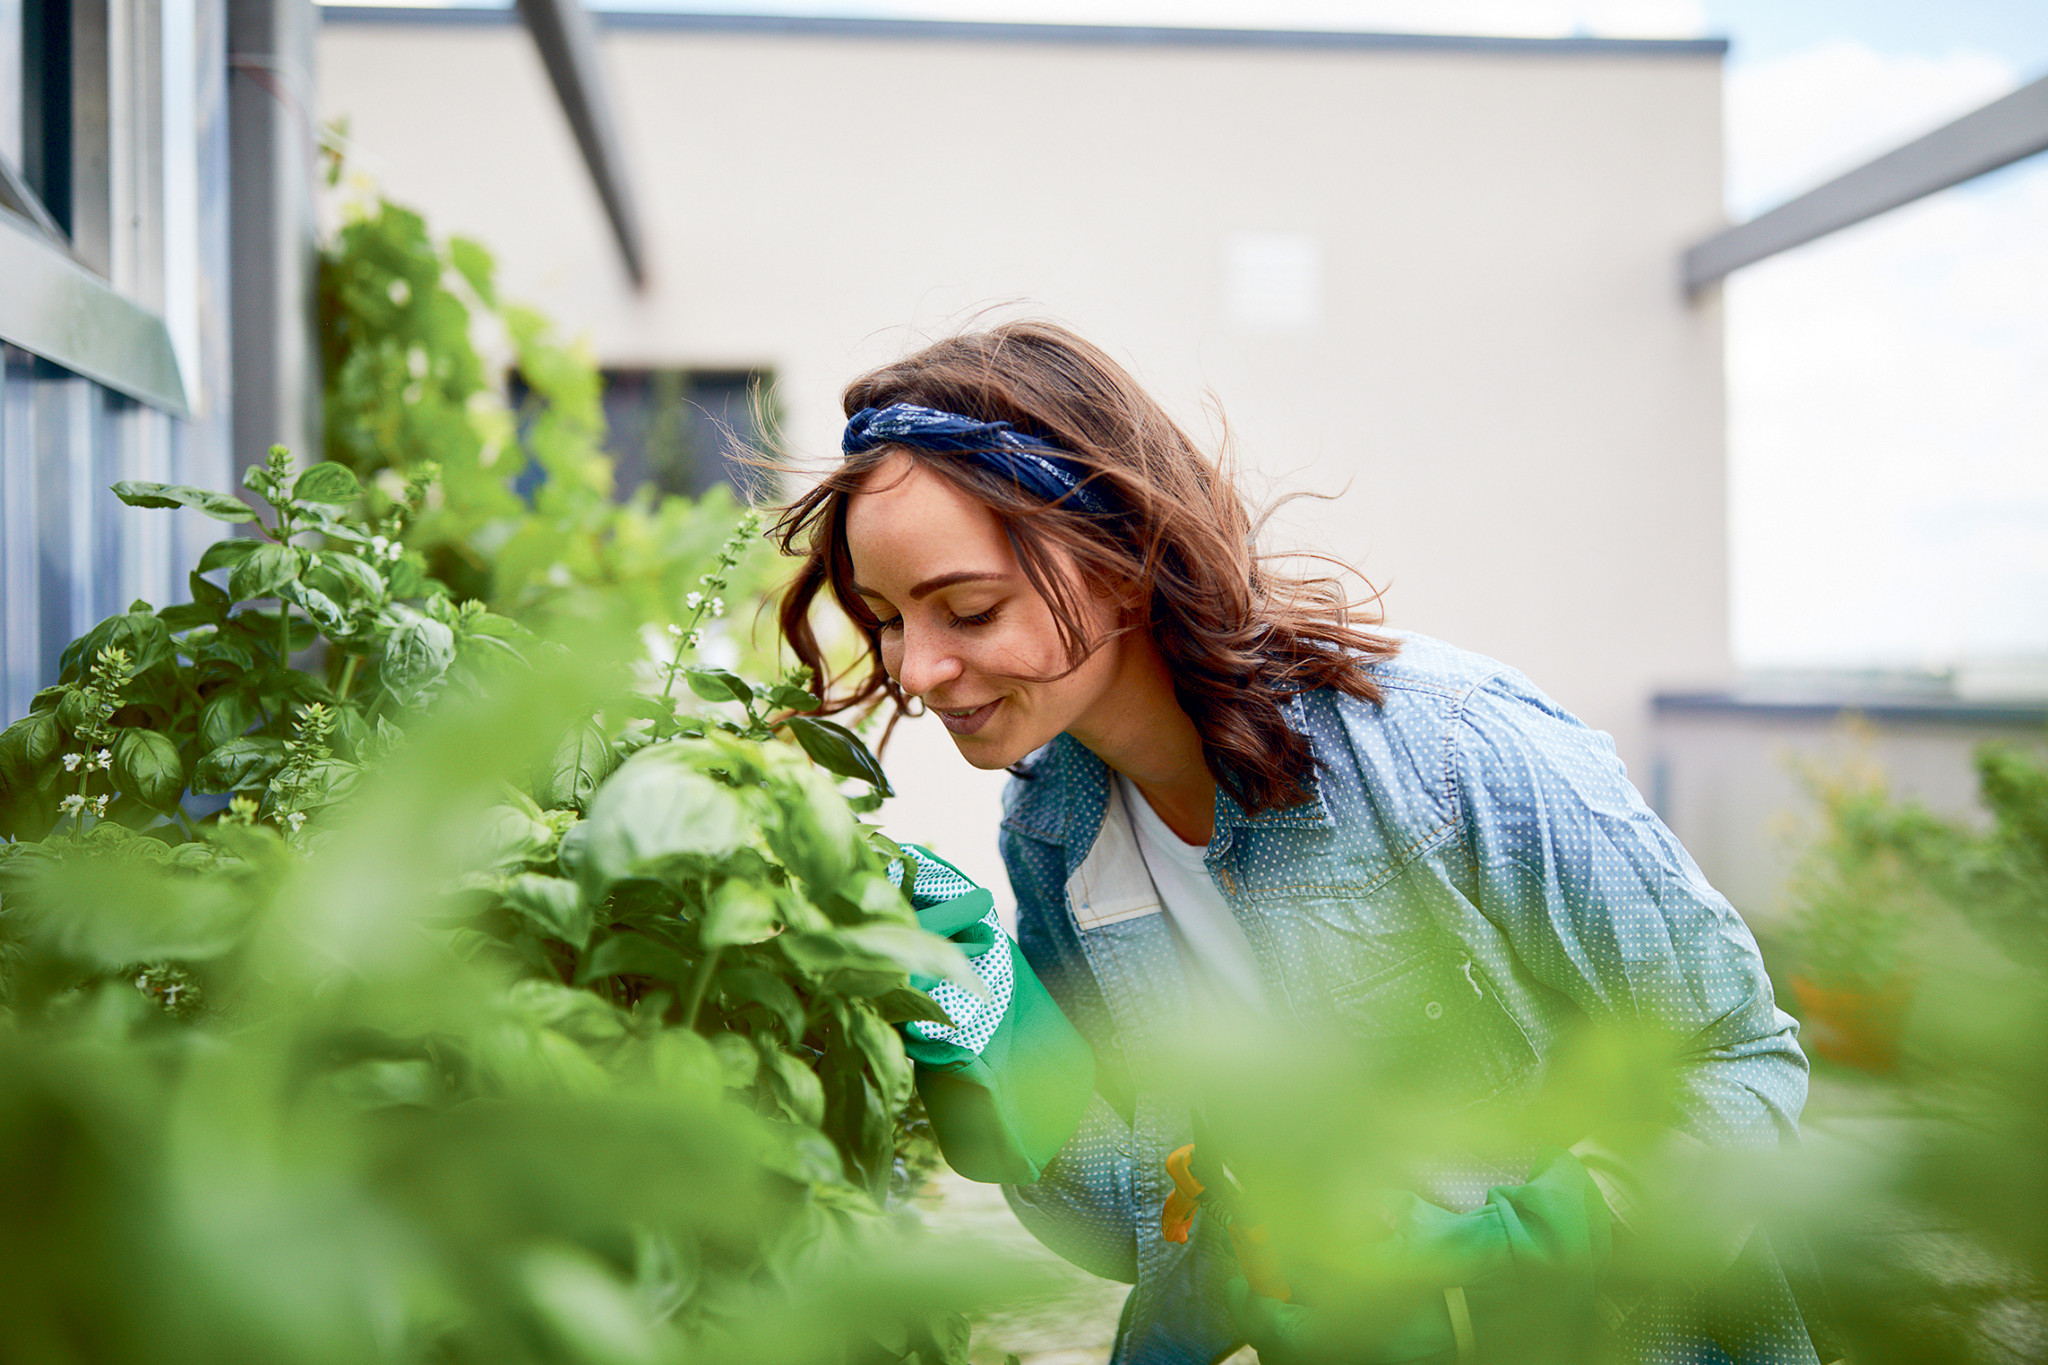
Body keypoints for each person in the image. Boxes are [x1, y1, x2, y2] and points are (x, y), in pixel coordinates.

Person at [772, 320, 1826, 1365]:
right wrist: (998, 1031)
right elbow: (1144, 1225)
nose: (916, 671)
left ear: (1122, 558)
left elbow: (1736, 1058)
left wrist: (1550, 1236)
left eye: (968, 610)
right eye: (889, 618)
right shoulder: (1054, 828)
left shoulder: (1443, 750)